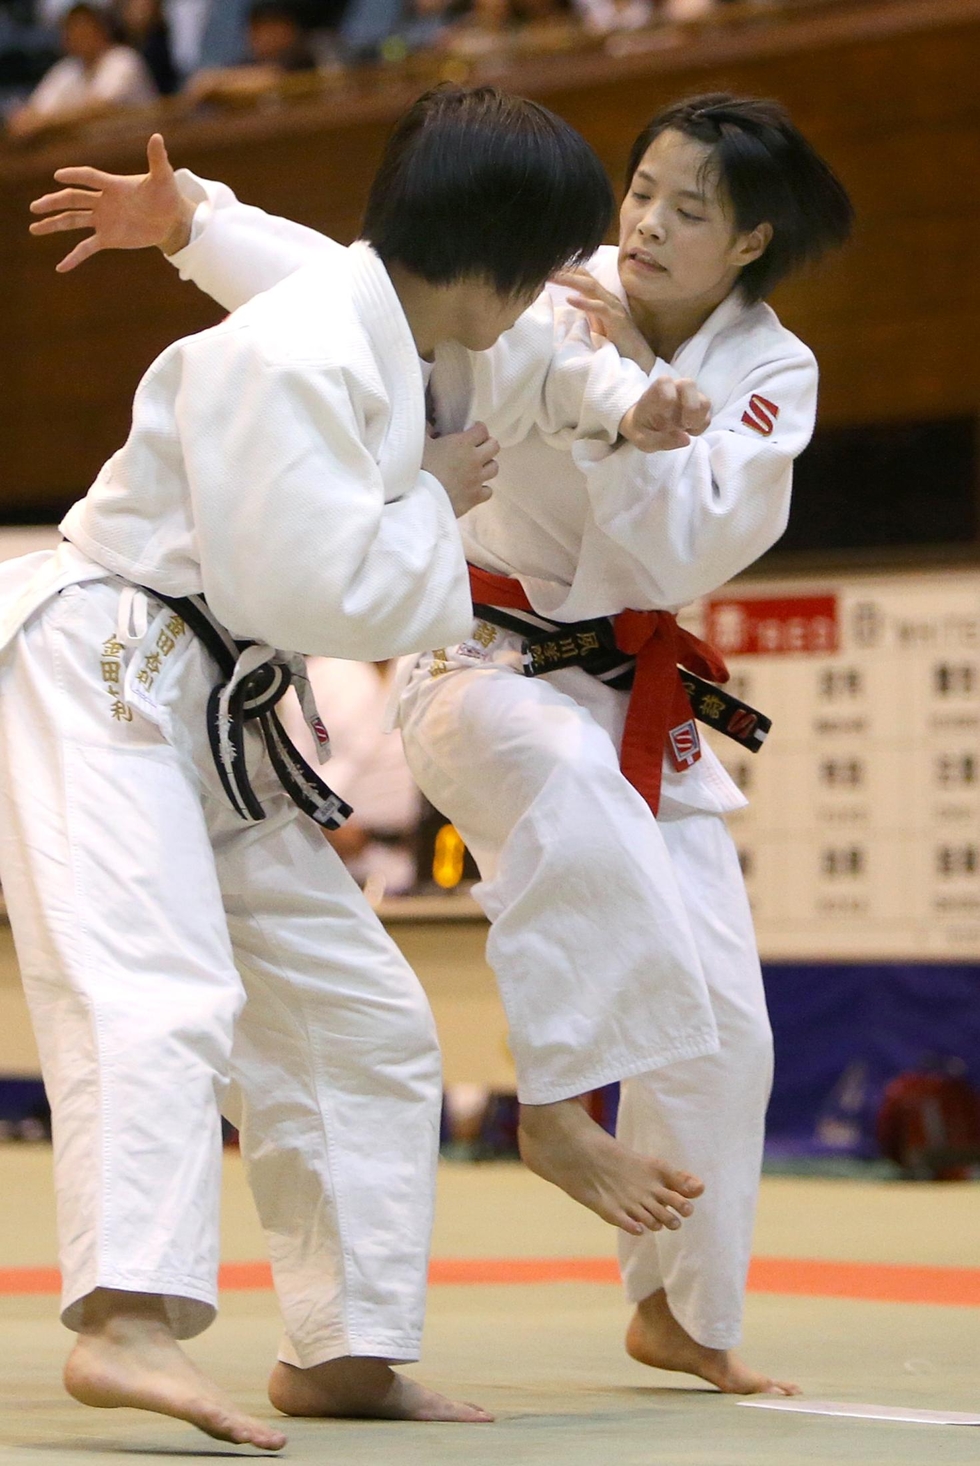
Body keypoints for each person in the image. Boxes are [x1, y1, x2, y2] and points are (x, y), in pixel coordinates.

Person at [9, 85, 703, 1449]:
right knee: (153, 980)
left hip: (219, 699)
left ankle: (346, 1347)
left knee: (363, 1019)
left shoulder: (416, 325)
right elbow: (310, 588)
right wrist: (432, 496)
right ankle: (126, 1317)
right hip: (105, 667)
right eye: (543, 268)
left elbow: (496, 349)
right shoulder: (292, 352)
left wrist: (631, 407)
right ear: (488, 256)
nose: (548, 297)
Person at [7, 2, 155, 140]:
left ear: (101, 30)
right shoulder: (66, 70)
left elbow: (100, 108)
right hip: (93, 149)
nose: (79, 36)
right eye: (72, 31)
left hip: (139, 143)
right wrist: (25, 120)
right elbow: (34, 112)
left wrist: (45, 122)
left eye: (84, 28)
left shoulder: (123, 59)